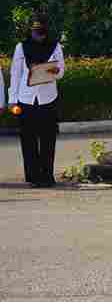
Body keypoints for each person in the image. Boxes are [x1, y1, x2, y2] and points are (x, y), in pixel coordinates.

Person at [8, 14, 66, 188]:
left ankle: (47, 175)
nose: (37, 36)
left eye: (40, 32)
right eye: (34, 32)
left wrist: (50, 71)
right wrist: (12, 100)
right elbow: (16, 73)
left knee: (48, 139)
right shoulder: (21, 47)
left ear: (46, 31)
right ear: (30, 32)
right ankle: (33, 177)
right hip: (26, 98)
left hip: (48, 98)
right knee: (28, 140)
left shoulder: (55, 46)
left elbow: (61, 71)